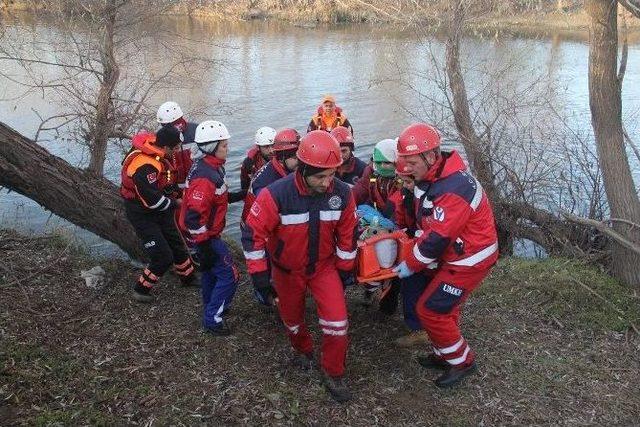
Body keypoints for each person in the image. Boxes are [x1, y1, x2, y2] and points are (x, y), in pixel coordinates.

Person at [242, 131, 358, 402]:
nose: (327, 182)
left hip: (324, 268)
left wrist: (345, 268)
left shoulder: (341, 193)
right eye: (320, 176)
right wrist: (259, 277)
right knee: (292, 321)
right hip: (286, 270)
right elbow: (253, 235)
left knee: (337, 324)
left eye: (331, 174)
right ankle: (303, 350)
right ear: (302, 169)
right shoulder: (276, 194)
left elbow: (348, 233)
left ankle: (334, 372)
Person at [393, 122, 499, 388]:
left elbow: (437, 238)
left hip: (470, 259)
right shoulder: (434, 177)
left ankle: (462, 361)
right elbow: (429, 225)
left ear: (431, 157)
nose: (406, 168)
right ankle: (444, 353)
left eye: (412, 162)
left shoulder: (454, 188)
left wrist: (410, 263)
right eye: (404, 162)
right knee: (443, 307)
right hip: (459, 253)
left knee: (430, 311)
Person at [120, 126, 196, 303]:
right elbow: (152, 200)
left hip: (158, 205)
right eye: (176, 148)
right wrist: (176, 203)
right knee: (162, 256)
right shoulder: (145, 166)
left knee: (176, 241)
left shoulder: (159, 155)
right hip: (141, 212)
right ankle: (141, 290)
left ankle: (188, 277)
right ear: (167, 147)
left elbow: (166, 182)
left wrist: (177, 194)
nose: (178, 152)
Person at [179, 120, 240, 336]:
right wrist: (203, 245)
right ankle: (213, 318)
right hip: (205, 237)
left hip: (205, 236)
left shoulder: (209, 166)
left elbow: (215, 200)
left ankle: (211, 306)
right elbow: (195, 215)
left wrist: (239, 195)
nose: (227, 149)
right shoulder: (205, 176)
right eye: (224, 146)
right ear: (211, 147)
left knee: (210, 273)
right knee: (230, 275)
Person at [351, 138, 403, 312]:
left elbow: (397, 207)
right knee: (369, 257)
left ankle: (388, 300)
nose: (380, 166)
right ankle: (371, 288)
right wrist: (347, 205)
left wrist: (386, 222)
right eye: (377, 162)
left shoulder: (404, 179)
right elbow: (359, 190)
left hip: (397, 222)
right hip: (378, 220)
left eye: (385, 163)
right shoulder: (371, 174)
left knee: (392, 263)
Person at [390, 157, 430, 348]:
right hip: (416, 244)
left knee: (421, 287)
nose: (406, 186)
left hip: (429, 247)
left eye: (408, 181)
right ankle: (419, 327)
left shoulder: (432, 196)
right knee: (411, 285)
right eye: (403, 182)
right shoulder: (406, 197)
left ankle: (424, 329)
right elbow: (402, 221)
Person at [240, 128, 301, 224]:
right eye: (295, 157)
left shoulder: (279, 167)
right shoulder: (264, 182)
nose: (271, 150)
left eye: (272, 146)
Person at [156, 101, 198, 189]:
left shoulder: (197, 131)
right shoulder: (163, 137)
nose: (165, 128)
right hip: (176, 186)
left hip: (197, 182)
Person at [240, 126, 277, 191]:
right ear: (258, 147)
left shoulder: (283, 158)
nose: (271, 150)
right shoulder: (249, 164)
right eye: (266, 147)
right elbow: (245, 187)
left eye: (273, 145)